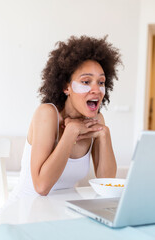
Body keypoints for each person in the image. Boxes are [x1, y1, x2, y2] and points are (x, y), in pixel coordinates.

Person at [11, 35, 122, 198]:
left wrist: (105, 134)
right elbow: (41, 187)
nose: (97, 90)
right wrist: (71, 132)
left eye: (101, 82)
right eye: (86, 82)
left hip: (64, 209)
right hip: (28, 209)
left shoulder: (97, 121)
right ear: (66, 87)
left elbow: (107, 182)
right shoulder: (47, 114)